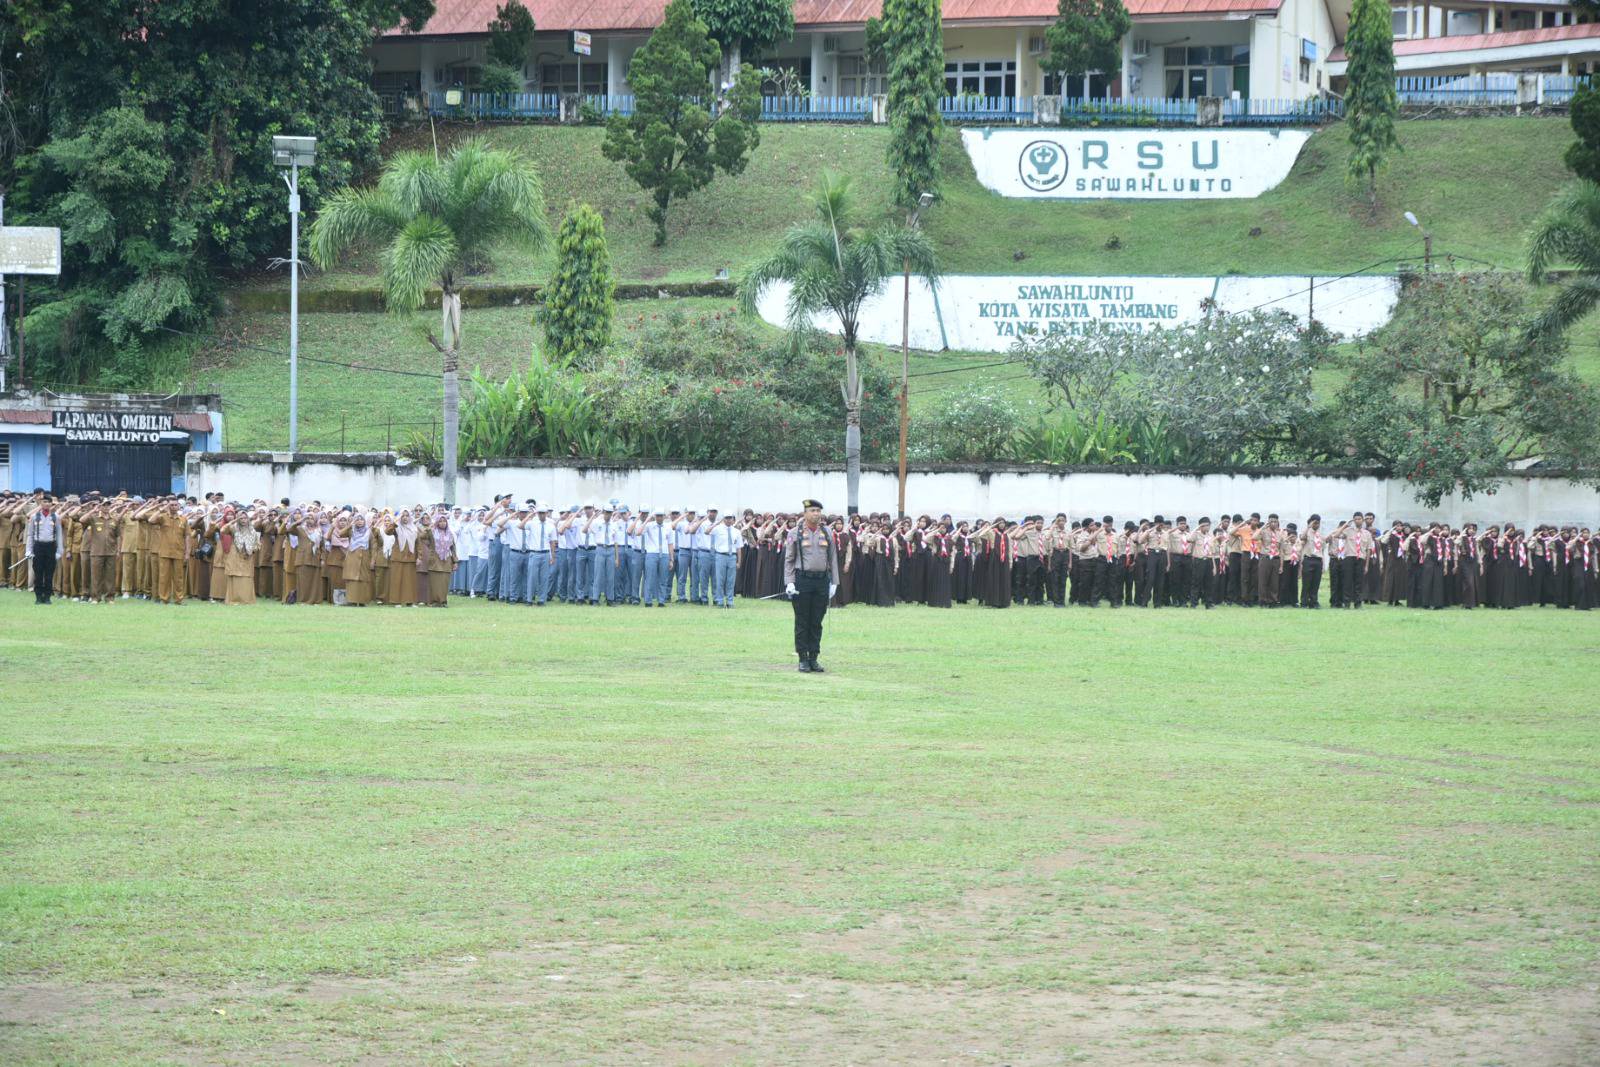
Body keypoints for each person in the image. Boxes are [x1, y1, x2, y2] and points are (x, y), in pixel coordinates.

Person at [783, 499, 839, 673]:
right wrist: (790, 581)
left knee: (816, 621)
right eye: (813, 510)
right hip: (803, 580)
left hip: (821, 581)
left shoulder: (827, 531)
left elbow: (833, 558)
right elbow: (789, 559)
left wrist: (834, 582)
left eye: (818, 510)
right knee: (802, 621)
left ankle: (814, 657)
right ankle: (802, 658)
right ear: (805, 513)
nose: (816, 513)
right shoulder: (795, 532)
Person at [25, 498, 60, 604]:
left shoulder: (56, 517)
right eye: (45, 502)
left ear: (51, 504)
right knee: (38, 572)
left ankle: (48, 596)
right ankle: (39, 596)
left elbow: (59, 535)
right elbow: (30, 535)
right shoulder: (35, 517)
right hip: (38, 546)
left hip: (51, 546)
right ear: (41, 503)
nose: (47, 504)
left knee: (49, 573)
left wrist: (59, 550)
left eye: (49, 502)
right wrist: (28, 550)